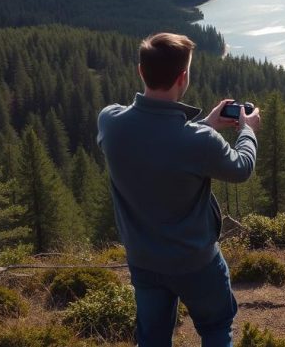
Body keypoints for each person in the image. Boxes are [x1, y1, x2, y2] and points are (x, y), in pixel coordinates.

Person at [97, 32, 260, 347]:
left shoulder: (110, 123)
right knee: (215, 327)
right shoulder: (199, 142)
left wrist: (207, 124)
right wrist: (247, 131)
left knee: (153, 339)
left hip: (143, 260)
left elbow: (155, 144)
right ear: (183, 77)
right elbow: (241, 168)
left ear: (141, 72)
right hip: (196, 262)